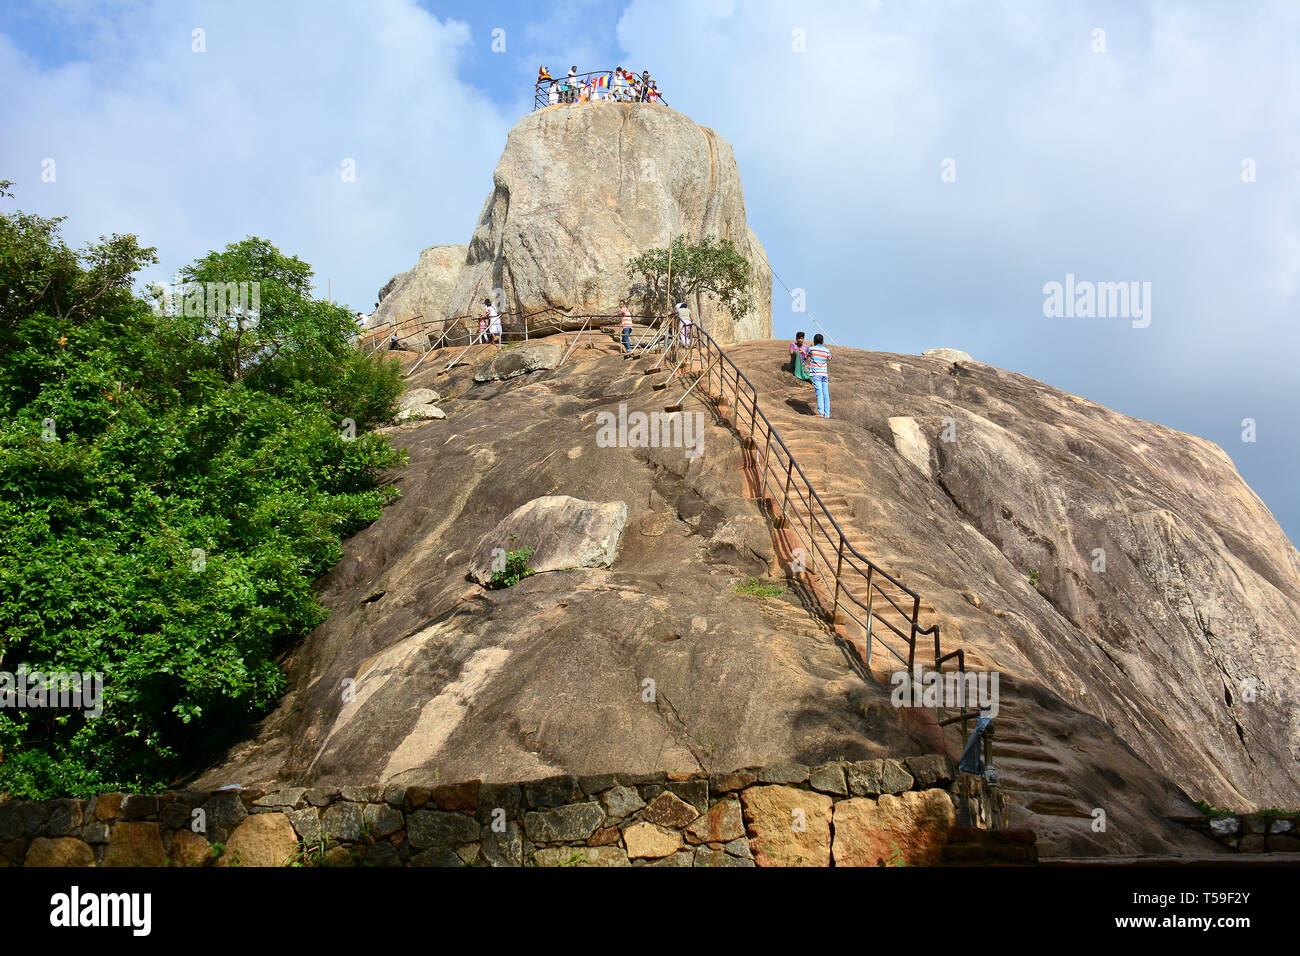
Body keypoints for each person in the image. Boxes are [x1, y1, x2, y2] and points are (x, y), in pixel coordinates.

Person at [806, 333, 831, 418]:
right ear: (823, 341)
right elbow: (829, 358)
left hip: (816, 373)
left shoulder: (812, 349)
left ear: (814, 341)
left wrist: (811, 347)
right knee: (826, 393)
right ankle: (827, 414)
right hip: (824, 373)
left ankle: (820, 412)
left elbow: (807, 355)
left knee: (819, 392)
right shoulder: (826, 350)